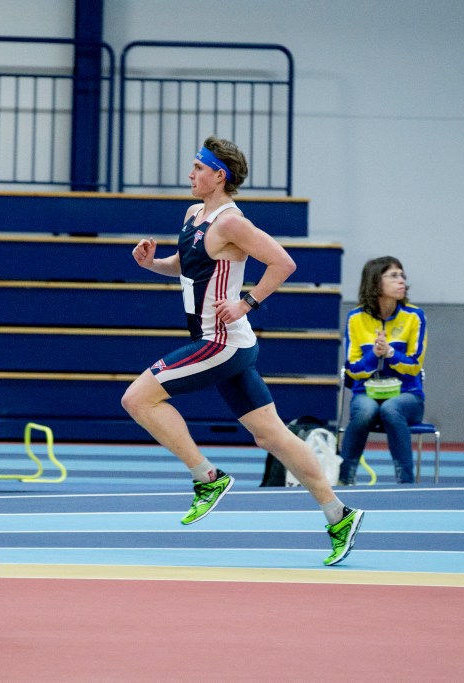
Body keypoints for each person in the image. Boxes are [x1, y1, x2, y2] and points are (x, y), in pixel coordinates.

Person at [122, 136, 364, 566]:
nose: (190, 174)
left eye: (198, 168)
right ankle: (338, 514)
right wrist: (151, 265)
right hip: (224, 342)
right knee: (270, 435)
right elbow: (186, 263)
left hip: (220, 341)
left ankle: (207, 478)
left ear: (220, 175)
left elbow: (284, 263)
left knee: (138, 398)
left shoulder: (232, 222)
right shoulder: (194, 213)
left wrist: (247, 302)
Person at [338, 256, 428, 485]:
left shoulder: (414, 317)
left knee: (391, 408)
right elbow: (352, 370)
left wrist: (390, 353)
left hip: (407, 395)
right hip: (365, 393)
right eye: (394, 275)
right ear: (376, 282)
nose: (402, 281)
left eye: (402, 275)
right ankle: (344, 478)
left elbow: (415, 365)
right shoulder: (355, 318)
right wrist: (373, 355)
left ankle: (405, 481)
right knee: (365, 411)